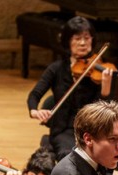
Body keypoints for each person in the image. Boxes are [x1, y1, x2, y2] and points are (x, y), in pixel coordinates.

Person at [27, 16, 113, 160]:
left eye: (87, 37)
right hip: (63, 131)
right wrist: (34, 111)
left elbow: (104, 110)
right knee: (70, 156)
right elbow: (35, 94)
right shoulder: (56, 69)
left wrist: (105, 91)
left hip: (91, 131)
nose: (83, 43)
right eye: (77, 38)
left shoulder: (101, 71)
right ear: (68, 41)